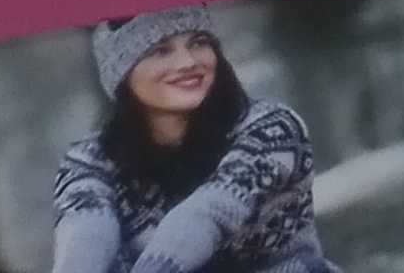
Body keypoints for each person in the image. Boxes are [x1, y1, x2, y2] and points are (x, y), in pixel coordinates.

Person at [53, 20, 328, 273]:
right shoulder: (90, 158)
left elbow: (209, 213)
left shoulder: (273, 127)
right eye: (160, 50)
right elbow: (86, 230)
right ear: (121, 72)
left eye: (199, 42)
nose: (188, 62)